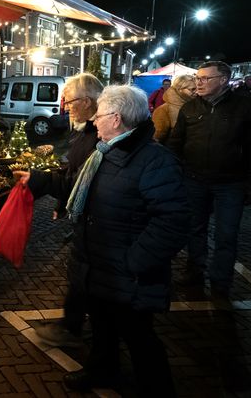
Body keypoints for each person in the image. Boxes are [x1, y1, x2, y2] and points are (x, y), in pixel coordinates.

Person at [18, 85, 189, 396]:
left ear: (117, 118)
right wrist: (39, 180)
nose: (94, 121)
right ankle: (102, 371)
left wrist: (134, 262)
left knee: (139, 338)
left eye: (99, 116)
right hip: (98, 264)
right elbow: (73, 184)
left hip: (128, 273)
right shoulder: (104, 152)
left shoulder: (155, 161)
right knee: (102, 327)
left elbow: (173, 221)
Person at [167, 61, 251, 298]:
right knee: (194, 229)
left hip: (231, 183)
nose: (198, 83)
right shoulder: (190, 108)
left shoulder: (247, 108)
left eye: (205, 79)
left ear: (223, 80)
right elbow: (176, 143)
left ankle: (220, 281)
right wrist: (173, 174)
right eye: (197, 78)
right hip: (193, 179)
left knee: (227, 233)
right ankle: (194, 272)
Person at [22, 73, 104, 348]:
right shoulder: (82, 130)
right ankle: (77, 326)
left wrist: (37, 180)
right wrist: (62, 202)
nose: (65, 106)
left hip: (98, 221)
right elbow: (73, 171)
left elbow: (81, 180)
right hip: (87, 218)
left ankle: (77, 330)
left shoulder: (98, 134)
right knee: (81, 273)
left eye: (69, 101)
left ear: (87, 101)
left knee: (83, 273)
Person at [152, 74, 196, 144]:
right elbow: (157, 136)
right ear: (180, 89)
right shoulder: (164, 109)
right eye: (192, 89)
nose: (196, 92)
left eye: (197, 88)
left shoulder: (199, 105)